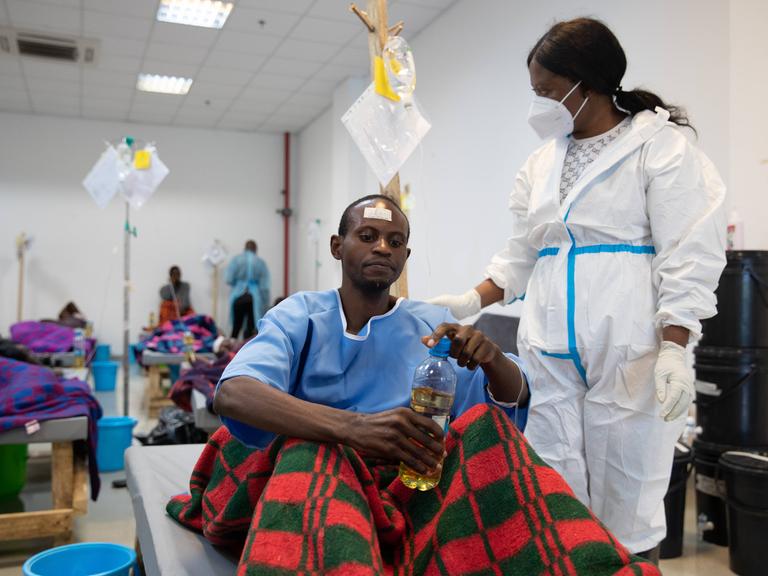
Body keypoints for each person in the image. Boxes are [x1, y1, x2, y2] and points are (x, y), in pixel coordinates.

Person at [166, 195, 658, 575]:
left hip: (409, 482)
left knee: (489, 433)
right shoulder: (301, 316)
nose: (383, 247)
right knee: (313, 452)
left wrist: (491, 361)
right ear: (339, 247)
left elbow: (507, 404)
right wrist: (354, 429)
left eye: (395, 240)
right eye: (368, 234)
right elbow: (234, 392)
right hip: (320, 473)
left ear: (406, 255)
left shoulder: (431, 325)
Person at [429, 18, 726, 560]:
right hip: (549, 348)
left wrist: (676, 348)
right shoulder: (542, 162)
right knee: (553, 493)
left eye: (545, 90)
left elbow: (689, 254)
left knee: (628, 504)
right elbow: (524, 250)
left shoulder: (659, 148)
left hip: (630, 347)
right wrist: (475, 298)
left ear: (583, 85)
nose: (537, 103)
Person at [225, 240, 270, 340]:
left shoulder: (236, 260)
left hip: (238, 296)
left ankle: (232, 351)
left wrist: (239, 283)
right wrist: (266, 304)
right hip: (254, 298)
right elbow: (264, 287)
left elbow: (228, 279)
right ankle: (249, 350)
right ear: (255, 249)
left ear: (245, 248)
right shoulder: (260, 262)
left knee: (236, 327)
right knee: (251, 329)